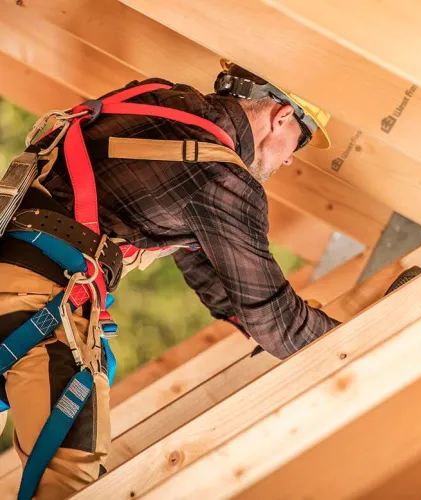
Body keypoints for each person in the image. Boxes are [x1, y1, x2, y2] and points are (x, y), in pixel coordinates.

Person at [0, 60, 340, 498]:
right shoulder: (222, 180)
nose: (292, 157)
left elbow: (201, 259)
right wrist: (357, 341)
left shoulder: (154, 99)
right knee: (68, 485)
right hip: (38, 302)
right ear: (282, 116)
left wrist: (244, 322)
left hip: (15, 267)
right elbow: (278, 321)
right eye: (301, 140)